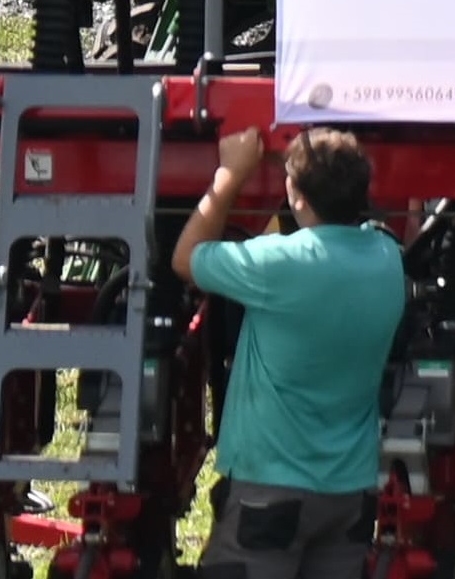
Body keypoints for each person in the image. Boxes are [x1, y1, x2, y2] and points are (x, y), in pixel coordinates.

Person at [173, 127, 406, 579]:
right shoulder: (386, 259)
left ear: (295, 196)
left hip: (270, 491)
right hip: (350, 494)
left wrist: (228, 174)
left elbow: (187, 258)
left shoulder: (279, 265)